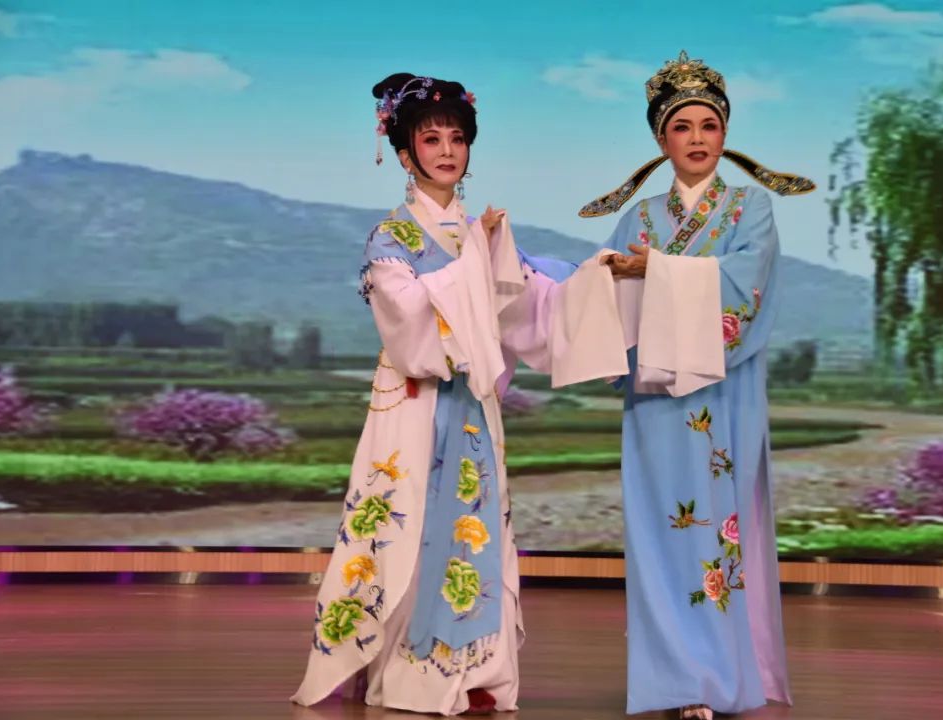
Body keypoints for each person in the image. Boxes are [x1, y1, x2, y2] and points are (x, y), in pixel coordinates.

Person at [291, 72, 623, 715]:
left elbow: (532, 308)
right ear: (404, 153)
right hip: (413, 403)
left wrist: (599, 278)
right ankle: (412, 671)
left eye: (457, 138)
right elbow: (410, 326)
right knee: (406, 527)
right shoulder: (392, 239)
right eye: (430, 139)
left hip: (472, 407)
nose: (447, 150)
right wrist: (478, 259)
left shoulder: (480, 232)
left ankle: (474, 668)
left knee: (475, 526)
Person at [578, 51, 814, 720]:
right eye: (681, 127)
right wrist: (611, 275)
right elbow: (608, 299)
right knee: (662, 533)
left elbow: (747, 286)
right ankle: (677, 682)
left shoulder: (750, 207)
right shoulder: (638, 218)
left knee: (715, 530)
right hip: (655, 397)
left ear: (725, 133)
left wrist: (658, 272)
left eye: (709, 124)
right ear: (662, 140)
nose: (698, 138)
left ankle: (719, 676)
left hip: (722, 391)